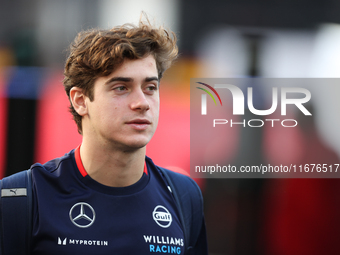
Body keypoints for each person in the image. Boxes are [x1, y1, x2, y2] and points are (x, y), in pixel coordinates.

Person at [3, 17, 207, 254]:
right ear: (80, 101)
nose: (142, 103)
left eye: (150, 88)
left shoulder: (185, 196)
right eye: (121, 88)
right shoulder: (18, 199)